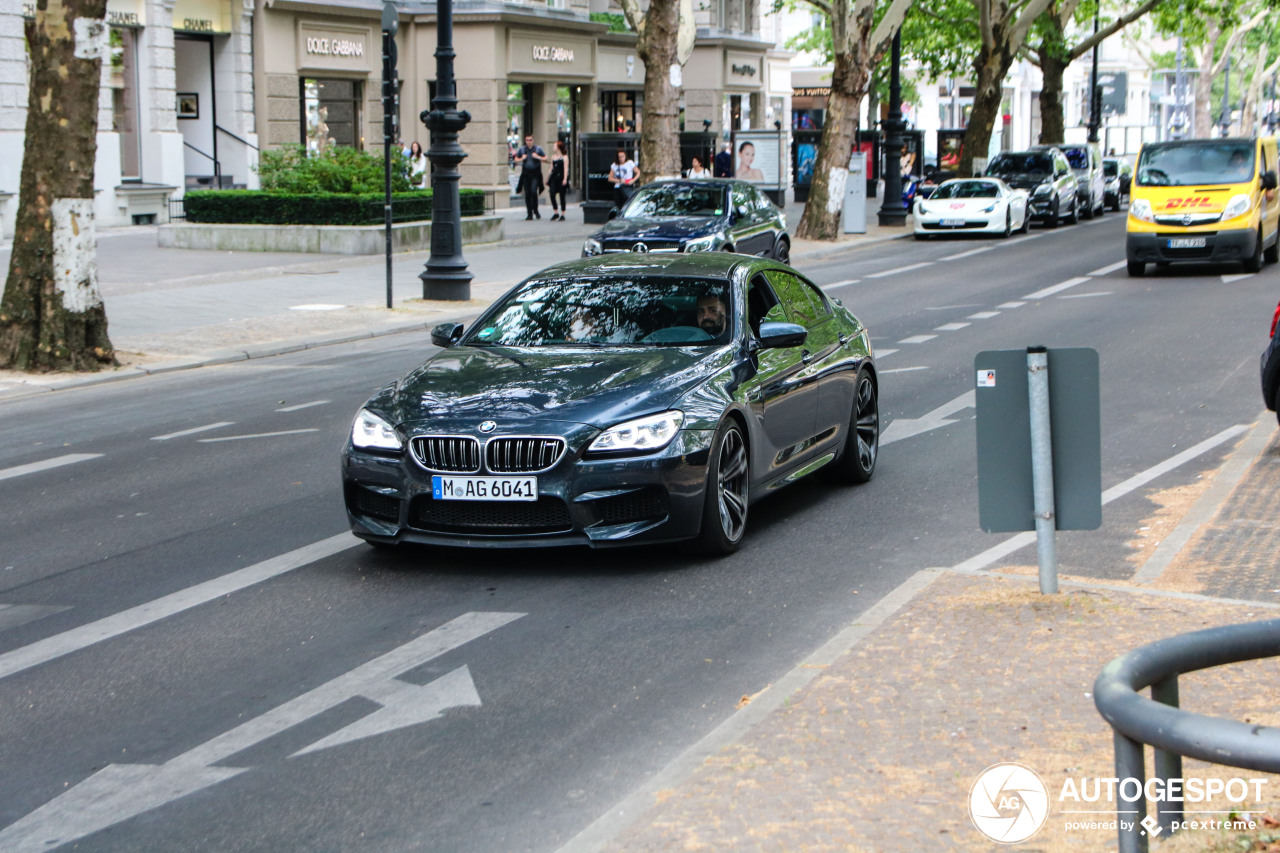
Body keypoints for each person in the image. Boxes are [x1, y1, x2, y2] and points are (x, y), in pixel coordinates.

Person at [513, 134, 546, 220]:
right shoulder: (522, 150)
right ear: (525, 140)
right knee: (527, 194)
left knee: (533, 191)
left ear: (533, 140)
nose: (529, 142)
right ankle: (529, 213)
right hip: (526, 174)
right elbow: (516, 159)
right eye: (527, 140)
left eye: (530, 140)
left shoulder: (538, 149)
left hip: (535, 174)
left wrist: (538, 157)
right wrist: (521, 159)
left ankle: (535, 210)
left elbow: (546, 158)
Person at [547, 140, 569, 221]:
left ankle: (563, 214)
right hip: (554, 177)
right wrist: (548, 177)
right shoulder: (553, 157)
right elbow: (551, 168)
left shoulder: (565, 157)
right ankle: (556, 212)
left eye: (554, 146)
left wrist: (565, 179)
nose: (553, 147)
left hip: (561, 178)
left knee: (562, 196)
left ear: (559, 148)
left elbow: (566, 169)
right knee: (552, 194)